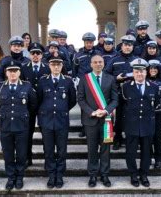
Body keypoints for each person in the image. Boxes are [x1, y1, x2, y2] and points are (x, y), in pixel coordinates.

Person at [0, 60, 37, 191]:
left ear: (19, 73)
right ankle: (11, 178)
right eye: (10, 71)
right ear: (6, 73)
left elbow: (33, 105)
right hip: (5, 126)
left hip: (22, 126)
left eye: (15, 71)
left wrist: (23, 115)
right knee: (8, 154)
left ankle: (20, 177)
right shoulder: (0, 87)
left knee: (22, 154)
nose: (12, 74)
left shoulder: (27, 86)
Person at [77, 55, 118, 188]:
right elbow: (81, 99)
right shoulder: (84, 79)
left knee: (106, 149)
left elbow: (115, 100)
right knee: (92, 149)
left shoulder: (111, 79)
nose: (98, 64)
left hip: (106, 120)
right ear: (91, 64)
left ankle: (105, 174)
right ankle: (93, 174)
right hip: (90, 120)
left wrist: (106, 111)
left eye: (100, 62)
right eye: (95, 62)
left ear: (104, 63)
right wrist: (92, 112)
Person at [37, 56, 77, 189]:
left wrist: (62, 109)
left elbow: (72, 100)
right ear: (49, 66)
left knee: (61, 150)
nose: (56, 67)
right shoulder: (42, 81)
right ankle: (51, 174)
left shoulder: (68, 81)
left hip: (61, 120)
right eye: (53, 65)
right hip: (46, 121)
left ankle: (59, 175)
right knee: (48, 150)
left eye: (58, 65)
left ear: (61, 66)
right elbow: (38, 100)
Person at [122, 58, 161, 187]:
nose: (140, 74)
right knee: (131, 152)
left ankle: (144, 174)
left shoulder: (154, 87)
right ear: (133, 73)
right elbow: (123, 105)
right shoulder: (126, 87)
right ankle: (133, 174)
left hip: (147, 124)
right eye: (137, 72)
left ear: (146, 73)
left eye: (142, 71)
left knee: (146, 152)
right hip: (131, 124)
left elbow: (156, 105)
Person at [20, 42, 51, 167]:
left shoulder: (47, 68)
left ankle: (47, 159)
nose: (36, 55)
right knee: (28, 133)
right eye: (33, 53)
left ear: (42, 55)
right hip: (28, 106)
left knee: (46, 134)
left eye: (38, 53)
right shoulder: (23, 68)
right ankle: (28, 157)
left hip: (44, 105)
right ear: (29, 54)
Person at [104, 35, 137, 150]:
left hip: (133, 93)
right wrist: (116, 78)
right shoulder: (114, 60)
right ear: (121, 46)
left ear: (132, 47)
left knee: (132, 117)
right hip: (118, 92)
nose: (127, 47)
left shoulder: (136, 60)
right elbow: (106, 76)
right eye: (125, 45)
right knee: (118, 118)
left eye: (130, 45)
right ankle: (117, 139)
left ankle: (131, 139)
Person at [73, 32, 101, 137]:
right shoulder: (78, 55)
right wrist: (75, 81)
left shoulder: (98, 54)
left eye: (91, 42)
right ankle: (84, 128)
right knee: (83, 105)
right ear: (84, 42)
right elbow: (74, 69)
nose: (89, 44)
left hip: (96, 82)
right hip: (83, 83)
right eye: (87, 42)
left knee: (96, 104)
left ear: (93, 42)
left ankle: (96, 126)